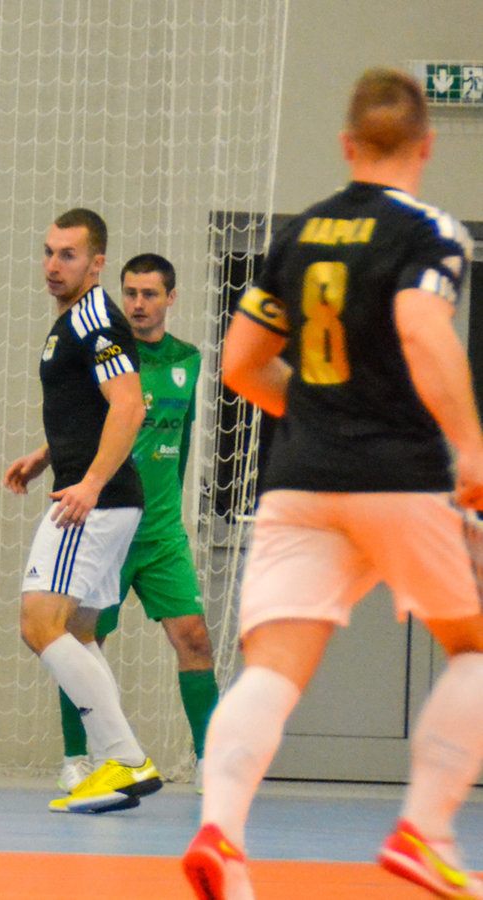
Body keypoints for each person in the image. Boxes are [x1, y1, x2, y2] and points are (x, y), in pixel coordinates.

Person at [183, 69, 483, 900]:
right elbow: (421, 328)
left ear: (347, 144)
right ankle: (425, 829)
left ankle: (221, 833)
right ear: (427, 145)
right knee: (474, 647)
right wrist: (470, 447)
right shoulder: (430, 230)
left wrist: (319, 414)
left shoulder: (301, 234)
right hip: (400, 479)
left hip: (300, 482)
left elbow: (241, 365)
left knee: (271, 672)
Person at [4, 207, 162, 814]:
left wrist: (90, 483)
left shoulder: (95, 318)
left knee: (38, 624)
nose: (53, 264)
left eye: (67, 255)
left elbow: (129, 406)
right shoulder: (71, 319)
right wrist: (47, 454)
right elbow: (91, 407)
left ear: (97, 263)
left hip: (93, 502)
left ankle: (125, 760)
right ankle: (113, 764)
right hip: (96, 496)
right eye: (48, 251)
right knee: (77, 632)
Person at [56, 254, 218, 794]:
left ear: (171, 297)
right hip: (110, 524)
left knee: (195, 639)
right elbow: (83, 424)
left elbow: (183, 439)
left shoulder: (188, 359)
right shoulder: (107, 352)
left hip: (162, 532)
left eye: (149, 294)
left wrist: (170, 505)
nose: (138, 304)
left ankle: (209, 760)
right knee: (80, 641)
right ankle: (78, 759)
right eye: (130, 293)